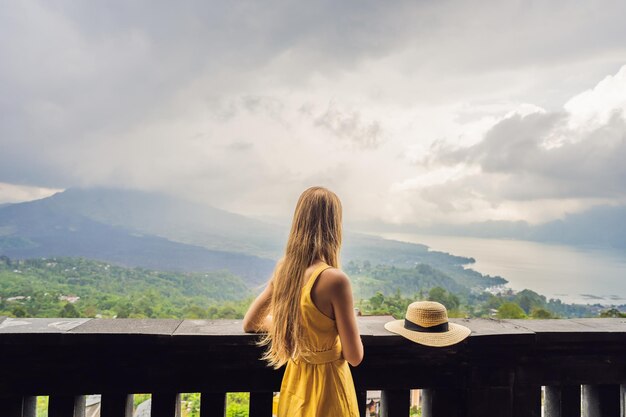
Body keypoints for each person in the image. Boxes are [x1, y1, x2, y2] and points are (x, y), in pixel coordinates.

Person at [243, 186, 363, 417]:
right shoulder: (335, 280)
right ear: (335, 226)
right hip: (329, 387)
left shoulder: (285, 270)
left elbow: (251, 322)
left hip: (296, 383)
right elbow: (354, 356)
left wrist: (292, 328)